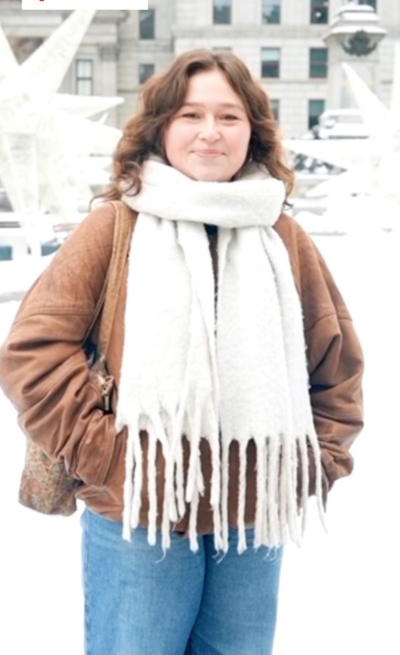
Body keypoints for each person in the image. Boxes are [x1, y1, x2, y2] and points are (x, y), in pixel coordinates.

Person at [0, 49, 364, 655]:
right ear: (162, 128)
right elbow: (32, 352)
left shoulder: (281, 236)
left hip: (251, 518)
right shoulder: (116, 226)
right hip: (139, 512)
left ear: (253, 132)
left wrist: (317, 461)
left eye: (230, 116)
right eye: (191, 114)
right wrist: (108, 455)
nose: (210, 132)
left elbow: (337, 364)